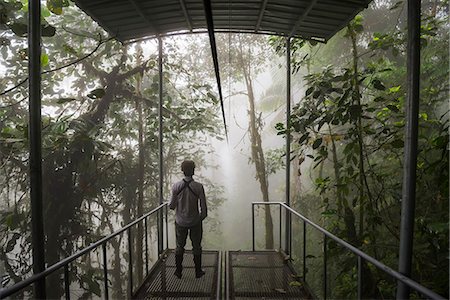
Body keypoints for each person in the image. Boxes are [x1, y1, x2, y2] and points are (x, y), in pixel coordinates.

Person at [169, 160, 207, 279]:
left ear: (182, 170)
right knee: (196, 246)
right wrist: (200, 217)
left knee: (180, 246)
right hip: (195, 221)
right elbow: (204, 207)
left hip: (180, 222)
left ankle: (178, 271)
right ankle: (198, 271)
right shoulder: (198, 187)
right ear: (193, 171)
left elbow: (171, 206)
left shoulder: (176, 186)